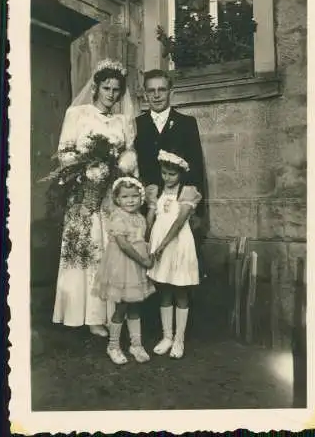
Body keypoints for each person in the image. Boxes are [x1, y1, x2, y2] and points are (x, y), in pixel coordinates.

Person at [52, 59, 138, 337]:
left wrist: (120, 172)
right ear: (96, 87)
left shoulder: (123, 121)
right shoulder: (77, 114)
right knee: (84, 253)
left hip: (109, 197)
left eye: (116, 89)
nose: (111, 94)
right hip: (84, 195)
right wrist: (86, 175)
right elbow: (65, 153)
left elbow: (128, 160)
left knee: (106, 254)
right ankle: (79, 314)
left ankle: (103, 316)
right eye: (106, 88)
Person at [134, 69, 207, 274]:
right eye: (151, 91)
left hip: (177, 209)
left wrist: (196, 213)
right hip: (147, 208)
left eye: (161, 90)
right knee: (150, 264)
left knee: (177, 267)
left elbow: (196, 168)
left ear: (170, 92)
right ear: (145, 94)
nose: (156, 95)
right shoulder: (136, 125)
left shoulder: (186, 123)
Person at [92, 176, 155, 365]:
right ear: (117, 199)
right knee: (121, 307)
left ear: (140, 197)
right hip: (123, 265)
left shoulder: (139, 217)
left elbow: (144, 236)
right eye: (125, 197)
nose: (130, 200)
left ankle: (136, 344)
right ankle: (113, 346)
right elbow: (124, 245)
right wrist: (144, 261)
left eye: (135, 196)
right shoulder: (117, 217)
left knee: (135, 305)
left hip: (136, 267)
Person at [146, 150, 202, 359]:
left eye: (172, 174)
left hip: (177, 244)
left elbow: (179, 222)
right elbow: (151, 218)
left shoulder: (187, 192)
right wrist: (148, 241)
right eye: (164, 173)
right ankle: (167, 336)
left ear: (181, 174)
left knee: (180, 290)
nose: (167, 178)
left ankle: (179, 339)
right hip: (159, 243)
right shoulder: (156, 191)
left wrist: (163, 244)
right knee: (164, 290)